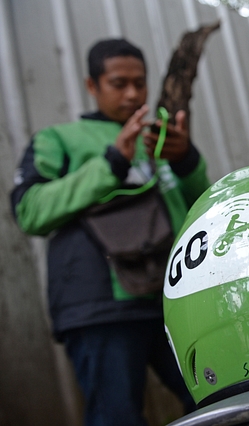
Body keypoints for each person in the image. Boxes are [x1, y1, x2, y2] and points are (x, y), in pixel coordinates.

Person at [10, 38, 210, 426]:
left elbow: (202, 210)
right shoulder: (59, 140)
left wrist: (186, 160)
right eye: (119, 83)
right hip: (100, 307)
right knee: (115, 417)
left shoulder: (162, 138)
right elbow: (29, 210)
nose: (133, 93)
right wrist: (113, 161)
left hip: (174, 302)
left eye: (140, 82)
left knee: (218, 401)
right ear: (92, 85)